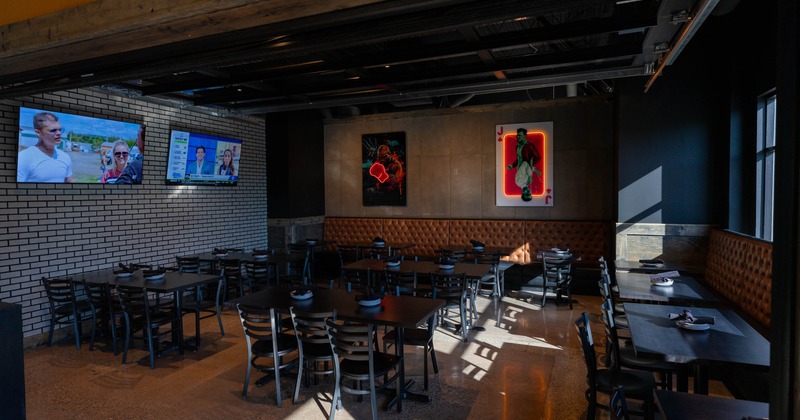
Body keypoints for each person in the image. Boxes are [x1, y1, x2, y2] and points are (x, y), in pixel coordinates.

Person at [17, 112, 74, 182]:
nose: (59, 133)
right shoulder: (24, 157)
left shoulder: (65, 157)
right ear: (38, 132)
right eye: (53, 130)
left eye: (60, 130)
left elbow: (69, 181)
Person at [506, 127, 541, 201]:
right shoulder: (518, 147)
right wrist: (512, 165)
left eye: (520, 135)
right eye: (517, 135)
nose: (518, 137)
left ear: (525, 136)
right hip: (524, 167)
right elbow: (519, 159)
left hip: (525, 167)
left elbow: (537, 158)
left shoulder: (530, 146)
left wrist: (531, 165)